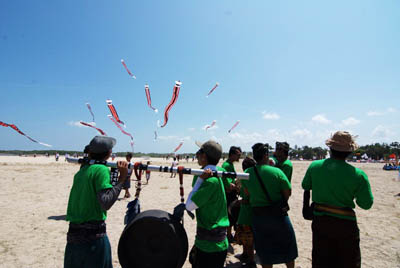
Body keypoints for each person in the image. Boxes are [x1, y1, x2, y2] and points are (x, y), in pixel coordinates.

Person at [302, 131, 374, 268]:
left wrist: (306, 208)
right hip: (346, 225)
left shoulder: (314, 166)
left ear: (330, 148)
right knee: (348, 261)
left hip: (320, 222)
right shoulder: (359, 175)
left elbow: (306, 186)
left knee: (321, 260)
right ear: (349, 152)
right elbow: (366, 204)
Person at [64, 136, 128, 268]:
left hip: (73, 238)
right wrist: (122, 178)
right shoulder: (101, 169)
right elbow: (105, 202)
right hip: (93, 240)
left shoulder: (82, 171)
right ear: (109, 153)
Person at [241, 143, 297, 268]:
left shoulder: (247, 173)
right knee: (287, 246)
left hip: (258, 216)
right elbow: (287, 192)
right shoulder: (277, 171)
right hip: (278, 215)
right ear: (266, 155)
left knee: (264, 249)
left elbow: (247, 193)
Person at [176, 140, 229, 268]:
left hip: (210, 246)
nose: (197, 154)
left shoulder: (210, 181)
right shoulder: (218, 171)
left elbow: (189, 206)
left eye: (199, 152)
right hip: (214, 242)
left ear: (204, 156)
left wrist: (200, 180)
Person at [235, 156, 257, 268]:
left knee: (247, 238)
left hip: (246, 212)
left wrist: (239, 202)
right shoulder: (257, 178)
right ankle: (245, 255)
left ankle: (251, 261)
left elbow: (247, 197)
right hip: (253, 212)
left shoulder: (245, 179)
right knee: (248, 237)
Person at [221, 146, 242, 243]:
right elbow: (227, 183)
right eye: (238, 155)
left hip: (232, 194)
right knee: (230, 215)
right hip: (229, 195)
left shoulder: (230, 164)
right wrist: (236, 186)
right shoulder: (226, 165)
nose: (239, 157)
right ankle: (229, 235)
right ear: (232, 154)